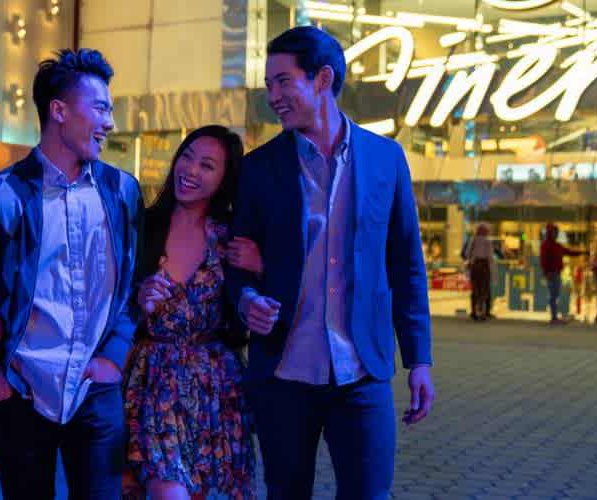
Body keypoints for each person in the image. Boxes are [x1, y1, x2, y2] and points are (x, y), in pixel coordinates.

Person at [225, 26, 435, 500]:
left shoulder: (386, 158)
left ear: (322, 78)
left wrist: (419, 360)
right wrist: (246, 298)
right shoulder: (258, 168)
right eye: (268, 85)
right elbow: (236, 262)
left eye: (283, 82)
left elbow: (406, 264)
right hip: (283, 373)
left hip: (361, 371)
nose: (273, 96)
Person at [0, 48, 143, 500]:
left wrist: (114, 358)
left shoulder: (123, 191)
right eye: (100, 108)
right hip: (20, 389)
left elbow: (132, 286)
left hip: (95, 389)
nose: (110, 123)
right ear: (58, 110)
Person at [123, 125, 259, 500]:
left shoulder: (230, 236)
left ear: (224, 178)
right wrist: (138, 299)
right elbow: (108, 303)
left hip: (216, 387)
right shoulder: (142, 227)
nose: (190, 170)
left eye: (207, 165)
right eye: (186, 156)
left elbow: (259, 305)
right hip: (153, 381)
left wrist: (259, 268)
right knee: (168, 491)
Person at [540, 223, 585, 324]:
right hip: (551, 273)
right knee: (553, 295)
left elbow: (569, 252)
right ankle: (554, 317)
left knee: (555, 295)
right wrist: (545, 272)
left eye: (556, 233)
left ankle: (554, 316)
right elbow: (543, 260)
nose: (555, 234)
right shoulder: (547, 245)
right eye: (554, 232)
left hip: (556, 273)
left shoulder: (557, 246)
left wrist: (581, 252)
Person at [466, 224, 494, 322]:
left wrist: (469, 268)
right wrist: (493, 272)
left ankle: (474, 311)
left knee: (475, 289)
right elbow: (490, 257)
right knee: (483, 290)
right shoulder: (487, 241)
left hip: (475, 266)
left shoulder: (473, 241)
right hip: (484, 267)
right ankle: (481, 312)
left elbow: (467, 254)